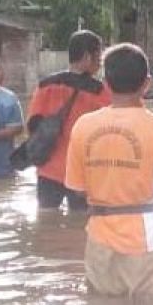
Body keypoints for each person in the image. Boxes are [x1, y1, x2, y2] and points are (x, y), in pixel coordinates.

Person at [65, 43, 153, 297]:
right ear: (146, 84)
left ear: (106, 84)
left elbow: (76, 188)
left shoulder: (83, 125)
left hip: (99, 236)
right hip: (148, 238)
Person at [27, 29, 111, 209]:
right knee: (80, 224)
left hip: (47, 169)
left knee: (46, 219)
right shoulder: (100, 91)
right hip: (82, 172)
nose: (100, 62)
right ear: (88, 57)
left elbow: (33, 124)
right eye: (99, 57)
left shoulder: (46, 85)